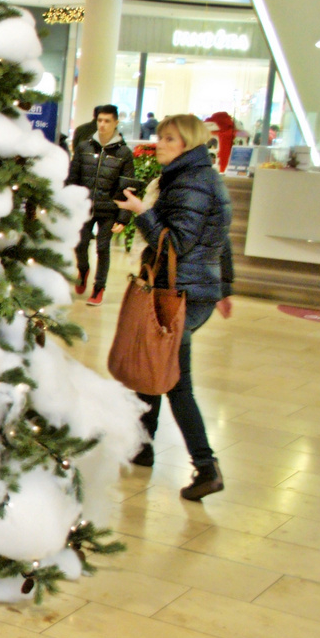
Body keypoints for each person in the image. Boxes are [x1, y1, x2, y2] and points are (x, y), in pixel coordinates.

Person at [115, 113, 233, 502]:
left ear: (188, 145)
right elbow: (221, 239)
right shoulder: (196, 178)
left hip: (181, 293)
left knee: (175, 380)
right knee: (155, 359)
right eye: (161, 137)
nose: (159, 144)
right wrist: (225, 287)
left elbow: (175, 243)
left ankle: (206, 466)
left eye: (169, 139)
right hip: (192, 290)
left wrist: (140, 213)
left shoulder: (191, 183)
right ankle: (142, 445)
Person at [68, 104, 138, 306]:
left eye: (107, 121)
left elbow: (128, 186)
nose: (103, 125)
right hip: (85, 206)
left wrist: (123, 217)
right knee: (80, 244)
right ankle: (83, 269)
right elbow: (73, 178)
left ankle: (99, 287)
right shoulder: (84, 147)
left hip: (109, 209)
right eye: (100, 120)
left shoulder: (124, 153)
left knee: (103, 247)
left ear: (116, 123)